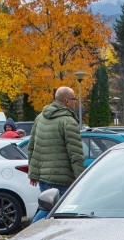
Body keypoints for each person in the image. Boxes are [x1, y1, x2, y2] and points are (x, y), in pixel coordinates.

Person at [27, 86, 85, 223]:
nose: (75, 102)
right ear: (66, 101)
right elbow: (76, 155)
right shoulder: (68, 121)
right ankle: (31, 232)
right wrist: (81, 180)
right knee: (58, 210)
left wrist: (33, 173)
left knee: (46, 206)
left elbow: (32, 147)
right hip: (62, 178)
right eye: (74, 99)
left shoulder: (40, 118)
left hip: (43, 177)